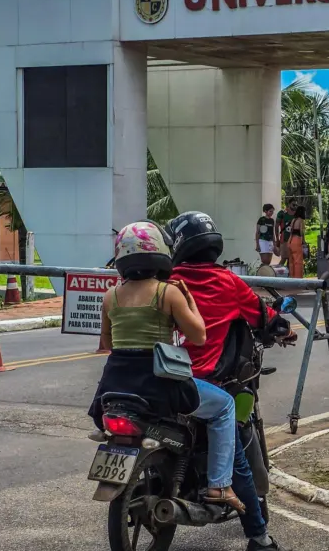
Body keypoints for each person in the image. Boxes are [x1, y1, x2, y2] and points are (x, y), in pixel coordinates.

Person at [88, 221, 244, 515]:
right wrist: (189, 301)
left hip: (116, 386)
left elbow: (108, 342)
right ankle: (219, 485)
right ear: (160, 253)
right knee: (224, 406)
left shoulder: (111, 296)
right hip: (159, 385)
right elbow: (199, 336)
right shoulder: (168, 293)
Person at [166, 211, 294, 551]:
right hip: (203, 384)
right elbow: (264, 317)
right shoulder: (228, 282)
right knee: (236, 453)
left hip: (156, 381)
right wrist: (284, 329)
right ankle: (259, 539)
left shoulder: (167, 282)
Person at [286, 205, 307, 278]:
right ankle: (298, 278)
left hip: (290, 241)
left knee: (291, 261)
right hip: (297, 241)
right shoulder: (301, 221)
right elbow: (301, 232)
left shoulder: (293, 220)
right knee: (298, 261)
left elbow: (291, 232)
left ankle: (292, 277)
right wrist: (304, 241)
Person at [256, 204, 275, 269]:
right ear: (265, 211)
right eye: (270, 211)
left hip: (270, 241)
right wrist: (257, 244)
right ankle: (261, 271)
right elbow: (258, 232)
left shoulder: (272, 220)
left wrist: (274, 244)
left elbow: (272, 232)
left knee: (268, 261)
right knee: (264, 260)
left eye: (272, 211)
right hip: (263, 240)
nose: (271, 213)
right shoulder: (261, 219)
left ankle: (266, 271)